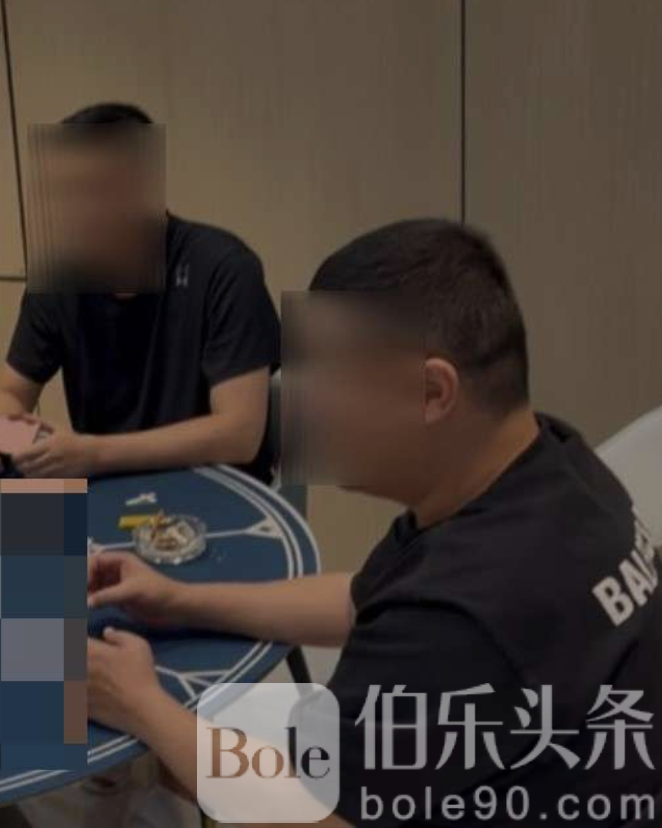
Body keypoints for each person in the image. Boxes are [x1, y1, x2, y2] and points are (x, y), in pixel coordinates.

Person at [85, 220, 661, 826]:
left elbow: (314, 817)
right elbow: (364, 599)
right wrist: (178, 599)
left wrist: (140, 704)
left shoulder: (459, 618)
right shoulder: (553, 465)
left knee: (148, 763)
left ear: (432, 392)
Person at [0, 102, 280, 482]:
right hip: (106, 483)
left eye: (85, 192)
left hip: (210, 488)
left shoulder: (224, 268)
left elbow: (238, 434)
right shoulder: (60, 277)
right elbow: (10, 391)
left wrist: (95, 454)